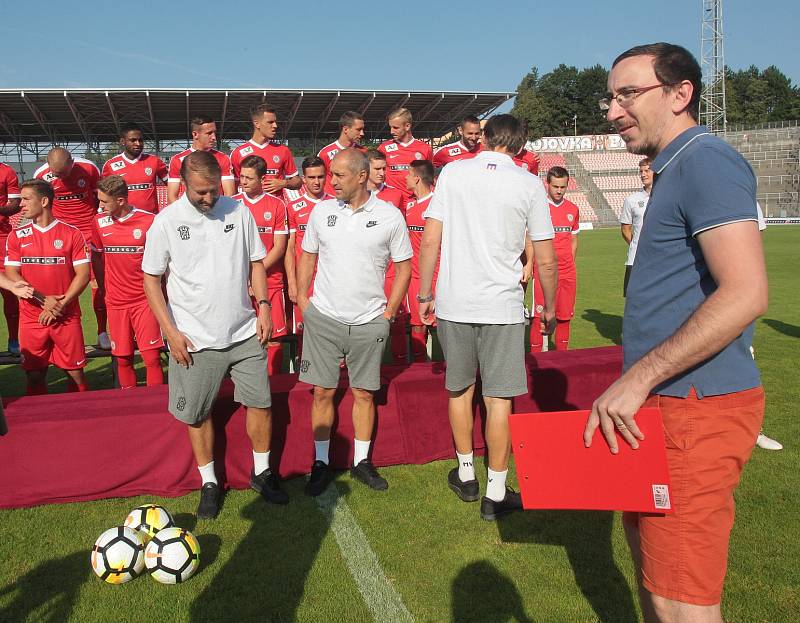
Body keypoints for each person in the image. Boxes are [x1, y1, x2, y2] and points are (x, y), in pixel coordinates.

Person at [585, 43, 767, 622]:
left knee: (681, 600)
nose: (613, 111)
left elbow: (745, 292)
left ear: (681, 93)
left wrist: (638, 379)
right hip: (666, 405)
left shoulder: (704, 160)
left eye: (628, 94)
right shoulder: (673, 167)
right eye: (610, 97)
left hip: (694, 406)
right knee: (658, 580)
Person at [417, 114, 557, 521]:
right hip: (502, 305)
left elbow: (430, 238)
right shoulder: (529, 183)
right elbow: (545, 259)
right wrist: (548, 305)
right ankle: (495, 491)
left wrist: (425, 293)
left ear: (487, 137)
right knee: (499, 399)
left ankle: (466, 474)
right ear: (521, 142)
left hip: (455, 301)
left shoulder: (454, 173)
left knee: (459, 390)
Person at [143, 150, 286, 519]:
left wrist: (265, 307)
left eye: (213, 191)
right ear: (185, 185)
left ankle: (262, 472)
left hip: (243, 332)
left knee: (261, 404)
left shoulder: (238, 212)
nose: (208, 199)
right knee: (198, 414)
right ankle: (209, 482)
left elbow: (257, 262)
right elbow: (151, 280)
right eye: (200, 192)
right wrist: (170, 332)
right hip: (193, 339)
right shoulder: (167, 221)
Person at [295, 148, 412, 496]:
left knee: (363, 392)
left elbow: (404, 266)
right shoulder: (322, 211)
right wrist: (304, 300)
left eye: (338, 176)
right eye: (330, 175)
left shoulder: (390, 216)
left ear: (361, 177)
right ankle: (320, 462)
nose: (331, 182)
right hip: (325, 318)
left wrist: (388, 313)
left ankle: (361, 461)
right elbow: (307, 255)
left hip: (369, 321)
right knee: (322, 392)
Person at [4, 179, 91, 395]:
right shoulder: (17, 236)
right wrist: (43, 300)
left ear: (44, 201)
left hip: (66, 315)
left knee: (76, 373)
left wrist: (61, 304)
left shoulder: (71, 233)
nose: (21, 205)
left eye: (26, 199)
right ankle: (40, 425)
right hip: (32, 316)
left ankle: (83, 421)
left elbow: (84, 274)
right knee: (34, 375)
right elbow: (12, 273)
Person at [90, 175, 164, 388]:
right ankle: (128, 404)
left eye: (104, 201)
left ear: (121, 200)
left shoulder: (149, 221)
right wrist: (104, 287)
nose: (100, 205)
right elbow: (96, 255)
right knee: (122, 359)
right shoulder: (98, 222)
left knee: (151, 358)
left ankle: (155, 407)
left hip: (145, 300)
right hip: (116, 302)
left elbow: (163, 260)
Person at [34, 148, 108, 350]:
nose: (60, 177)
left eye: (63, 173)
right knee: (61, 285)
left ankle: (102, 331)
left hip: (87, 231)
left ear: (72, 162)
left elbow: (99, 200)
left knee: (96, 282)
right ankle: (61, 330)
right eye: (56, 174)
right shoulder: (41, 175)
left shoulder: (89, 168)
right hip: (60, 234)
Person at [232, 155, 289, 375]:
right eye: (241, 176)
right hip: (238, 283)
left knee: (273, 339)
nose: (243, 181)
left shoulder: (276, 205)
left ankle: (273, 384)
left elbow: (279, 247)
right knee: (242, 339)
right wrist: (243, 276)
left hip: (270, 282)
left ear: (262, 179)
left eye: (248, 178)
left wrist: (255, 273)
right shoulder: (232, 205)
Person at [285, 157, 333, 357]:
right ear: (303, 179)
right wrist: (293, 283)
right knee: (304, 333)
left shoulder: (337, 204)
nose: (316, 181)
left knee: (332, 332)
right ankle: (303, 379)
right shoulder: (294, 207)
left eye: (321, 177)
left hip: (331, 281)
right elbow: (289, 249)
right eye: (311, 177)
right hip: (305, 281)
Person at [530, 166, 579, 352]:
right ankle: (536, 360)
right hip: (543, 272)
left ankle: (562, 359)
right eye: (555, 186)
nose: (559, 191)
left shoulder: (572, 209)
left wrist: (569, 262)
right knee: (539, 315)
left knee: (564, 316)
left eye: (563, 187)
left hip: (567, 272)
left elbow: (574, 239)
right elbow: (529, 239)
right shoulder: (538, 208)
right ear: (547, 184)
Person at [403, 159, 436, 362]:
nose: (405, 178)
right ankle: (419, 371)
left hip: (437, 274)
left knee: (443, 324)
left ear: (416, 177)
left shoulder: (438, 203)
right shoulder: (409, 205)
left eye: (408, 174)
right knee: (417, 324)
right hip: (415, 277)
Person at [230, 105, 302, 195]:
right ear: (257, 124)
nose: (275, 125)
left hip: (276, 206)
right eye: (270, 122)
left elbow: (298, 181)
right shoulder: (238, 153)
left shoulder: (283, 150)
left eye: (275, 122)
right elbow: (234, 186)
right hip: (249, 207)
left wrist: (284, 183)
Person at [102, 123, 168, 214]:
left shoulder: (154, 161)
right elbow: (103, 194)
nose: (138, 143)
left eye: (140, 140)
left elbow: (172, 184)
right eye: (133, 140)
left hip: (150, 219)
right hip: (123, 219)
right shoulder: (110, 165)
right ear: (122, 141)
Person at [167, 117, 235, 203]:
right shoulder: (177, 160)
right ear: (195, 134)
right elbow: (172, 196)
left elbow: (230, 193)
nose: (214, 137)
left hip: (216, 211)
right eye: (209, 133)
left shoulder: (223, 158)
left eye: (214, 132)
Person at [378, 108, 433, 205]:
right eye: (390, 127)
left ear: (407, 126)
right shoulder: (384, 148)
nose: (391, 131)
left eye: (395, 127)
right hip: (392, 203)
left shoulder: (425, 148)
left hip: (417, 202)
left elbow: (430, 177)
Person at [620, 157, 652, 296]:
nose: (643, 174)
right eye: (641, 171)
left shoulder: (666, 196)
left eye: (647, 170)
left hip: (661, 256)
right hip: (635, 258)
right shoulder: (631, 200)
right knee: (634, 297)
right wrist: (637, 245)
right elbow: (625, 229)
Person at [0, 161, 22, 354]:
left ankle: (14, 339)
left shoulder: (6, 171)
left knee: (10, 292)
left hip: (2, 237)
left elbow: (15, 205)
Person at [318, 111, 366, 195]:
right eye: (358, 130)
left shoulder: (363, 152)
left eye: (362, 129)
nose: (362, 133)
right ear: (345, 129)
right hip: (332, 201)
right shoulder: (325, 153)